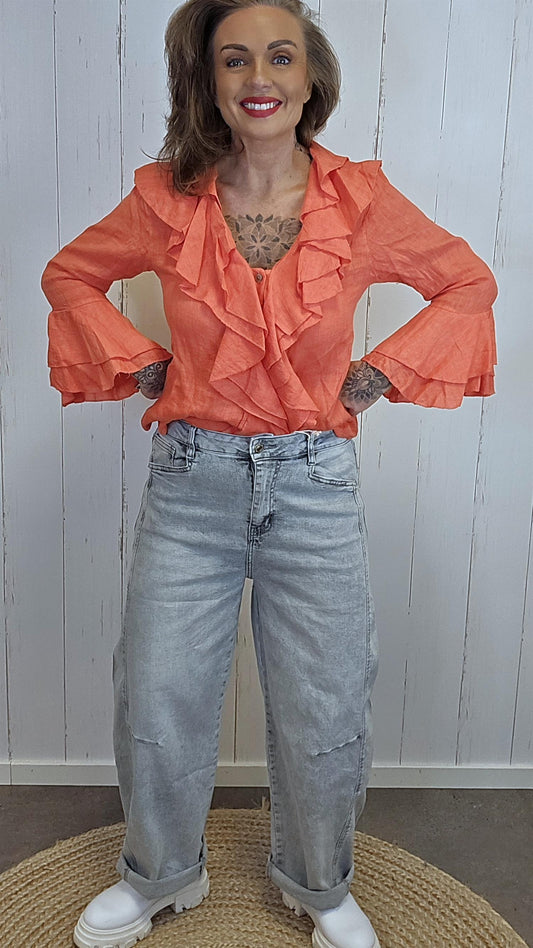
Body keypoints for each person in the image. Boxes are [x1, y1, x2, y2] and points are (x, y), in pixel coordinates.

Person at [40, 1, 497, 946]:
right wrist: (147, 365)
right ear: (208, 82)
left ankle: (319, 887)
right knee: (158, 695)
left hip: (312, 484)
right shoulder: (165, 202)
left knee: (324, 703)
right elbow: (69, 273)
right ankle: (160, 876)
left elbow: (467, 281)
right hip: (190, 483)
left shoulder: (359, 203)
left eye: (280, 57)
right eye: (235, 59)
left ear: (309, 76)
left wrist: (373, 377)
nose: (259, 78)